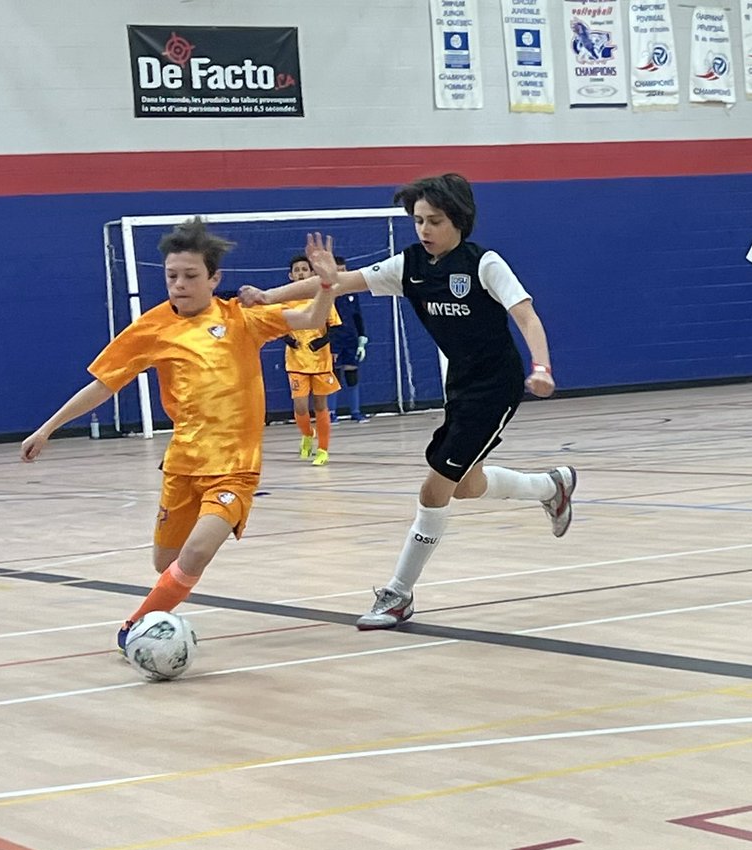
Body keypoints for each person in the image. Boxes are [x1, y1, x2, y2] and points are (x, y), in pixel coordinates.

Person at [240, 173, 577, 629]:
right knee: (466, 485)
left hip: (494, 387)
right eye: (418, 220)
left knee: (433, 489)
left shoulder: (484, 263)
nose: (423, 229)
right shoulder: (411, 265)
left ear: (457, 220)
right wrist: (265, 297)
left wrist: (542, 367)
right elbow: (338, 282)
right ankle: (550, 486)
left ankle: (398, 595)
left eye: (433, 220)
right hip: (459, 385)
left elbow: (525, 314)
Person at [21, 222, 341, 652]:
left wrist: (325, 283)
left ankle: (134, 629)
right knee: (165, 563)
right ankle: (159, 613)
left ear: (214, 279)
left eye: (191, 276)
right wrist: (48, 428)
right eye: (172, 276)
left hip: (234, 468)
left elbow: (311, 317)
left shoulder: (240, 318)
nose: (180, 284)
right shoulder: (152, 329)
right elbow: (103, 383)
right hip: (183, 463)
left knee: (195, 555)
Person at [280, 253, 341, 466]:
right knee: (300, 406)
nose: (300, 273)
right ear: (290, 275)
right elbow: (275, 325)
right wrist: (288, 338)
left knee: (320, 405)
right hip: (296, 360)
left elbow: (335, 326)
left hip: (320, 361)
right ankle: (307, 433)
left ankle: (323, 449)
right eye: (296, 270)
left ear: (312, 273)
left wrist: (322, 341)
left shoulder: (322, 296)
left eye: (304, 269)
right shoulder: (285, 299)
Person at [326, 255, 370, 423]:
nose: (341, 273)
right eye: (337, 271)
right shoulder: (326, 292)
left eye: (343, 270)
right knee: (334, 373)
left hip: (351, 337)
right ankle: (331, 412)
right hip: (334, 338)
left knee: (352, 372)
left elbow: (357, 315)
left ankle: (356, 411)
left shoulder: (351, 291)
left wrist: (362, 337)